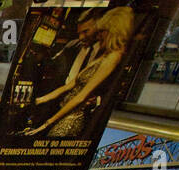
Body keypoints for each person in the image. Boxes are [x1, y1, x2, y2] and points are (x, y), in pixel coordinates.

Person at [26, 8, 134, 138]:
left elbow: (83, 95)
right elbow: (69, 84)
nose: (99, 36)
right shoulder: (77, 47)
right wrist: (38, 100)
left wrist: (47, 123)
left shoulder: (114, 56)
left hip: (73, 117)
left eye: (101, 31)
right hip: (60, 109)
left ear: (113, 30)